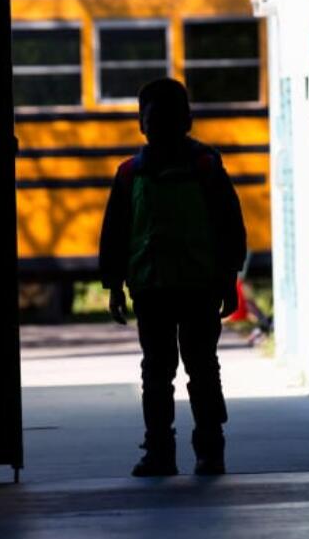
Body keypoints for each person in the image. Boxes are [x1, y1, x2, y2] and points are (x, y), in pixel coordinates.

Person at [98, 78, 247, 477]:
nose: (160, 127)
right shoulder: (201, 167)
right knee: (195, 369)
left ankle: (163, 452)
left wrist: (114, 284)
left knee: (162, 372)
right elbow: (230, 225)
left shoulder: (134, 173)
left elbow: (115, 233)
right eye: (156, 118)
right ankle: (207, 451)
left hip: (162, 287)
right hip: (182, 286)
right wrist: (229, 277)